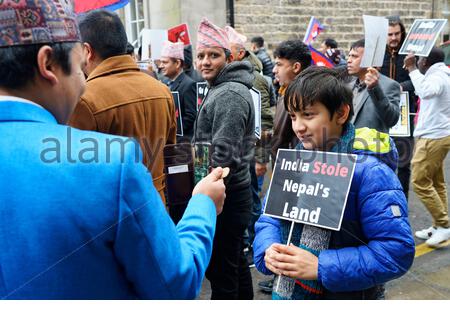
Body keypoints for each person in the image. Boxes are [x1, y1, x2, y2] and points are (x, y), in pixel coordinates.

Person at [0, 0, 226, 299]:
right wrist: (201, 204)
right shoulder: (111, 161)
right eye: (80, 69)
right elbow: (176, 284)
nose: (83, 82)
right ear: (48, 65)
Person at [253, 67, 415, 299]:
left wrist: (320, 266)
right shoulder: (294, 162)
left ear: (340, 114)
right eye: (293, 116)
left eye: (308, 115)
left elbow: (396, 251)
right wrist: (268, 248)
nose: (298, 127)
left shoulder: (370, 174)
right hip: (288, 293)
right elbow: (269, 217)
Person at [68, 10, 176, 203]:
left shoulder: (84, 99)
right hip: (157, 206)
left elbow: (78, 176)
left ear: (87, 51)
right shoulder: (162, 90)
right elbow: (170, 155)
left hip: (112, 216)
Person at [194, 18, 255, 299]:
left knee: (222, 272)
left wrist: (202, 190)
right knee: (235, 263)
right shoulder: (221, 86)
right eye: (201, 55)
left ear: (229, 58)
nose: (205, 61)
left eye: (213, 55)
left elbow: (223, 155)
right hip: (229, 193)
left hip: (226, 195)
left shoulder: (229, 92)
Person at [260, 39, 311, 293]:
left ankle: (291, 275)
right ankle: (280, 272)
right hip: (284, 168)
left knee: (295, 229)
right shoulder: (285, 92)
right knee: (280, 224)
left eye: (280, 64)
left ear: (296, 67)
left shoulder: (306, 96)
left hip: (299, 172)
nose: (275, 70)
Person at [225, 26, 274, 253]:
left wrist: (262, 158)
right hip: (239, 152)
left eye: (228, 51)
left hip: (253, 152)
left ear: (241, 54)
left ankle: (256, 244)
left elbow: (265, 121)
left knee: (254, 198)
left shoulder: (257, 81)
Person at [404, 48, 450, 247]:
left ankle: (443, 225)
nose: (418, 61)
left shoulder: (438, 77)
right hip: (436, 135)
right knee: (436, 182)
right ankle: (438, 224)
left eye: (420, 58)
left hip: (433, 137)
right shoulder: (440, 74)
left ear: (426, 62)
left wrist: (412, 69)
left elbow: (425, 91)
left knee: (420, 181)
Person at [380, 16, 417, 200]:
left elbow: (418, 80)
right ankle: (383, 201)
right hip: (382, 112)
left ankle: (402, 202)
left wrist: (401, 87)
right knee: (381, 159)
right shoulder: (378, 53)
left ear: (402, 32)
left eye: (397, 33)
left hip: (405, 114)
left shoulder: (411, 53)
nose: (393, 38)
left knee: (403, 163)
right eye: (389, 34)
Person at [347, 39, 401, 134]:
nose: (349, 60)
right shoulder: (347, 84)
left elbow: (391, 120)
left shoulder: (389, 85)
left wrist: (375, 89)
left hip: (371, 146)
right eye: (349, 56)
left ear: (369, 59)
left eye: (354, 56)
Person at [160, 41, 197, 142]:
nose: (161, 66)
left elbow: (191, 116)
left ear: (177, 63)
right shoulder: (164, 82)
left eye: (165, 62)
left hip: (182, 143)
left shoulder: (189, 84)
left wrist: (172, 130)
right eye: (161, 62)